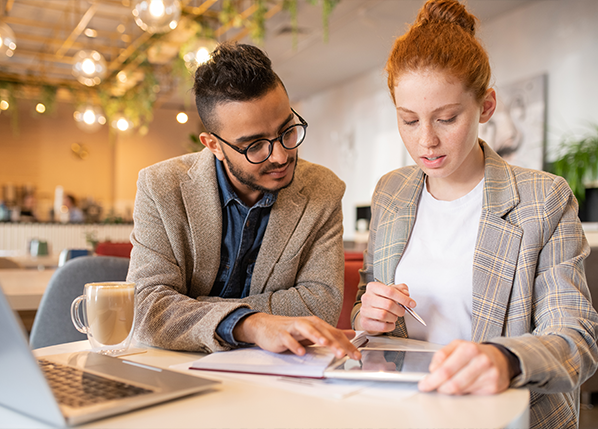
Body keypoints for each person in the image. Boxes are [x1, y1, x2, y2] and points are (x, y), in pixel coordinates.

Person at [350, 1, 598, 427]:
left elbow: (576, 342)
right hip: (404, 411)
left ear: (485, 106)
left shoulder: (543, 199)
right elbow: (366, 304)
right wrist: (367, 315)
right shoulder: (391, 193)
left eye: (446, 118)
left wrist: (503, 360)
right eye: (409, 120)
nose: (426, 140)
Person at [127, 42, 360, 361]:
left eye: (287, 131)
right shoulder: (161, 187)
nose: (280, 156)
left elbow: (320, 305)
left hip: (280, 373)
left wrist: (192, 306)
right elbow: (146, 308)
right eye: (254, 145)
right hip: (179, 368)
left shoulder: (324, 190)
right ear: (214, 145)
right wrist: (251, 325)